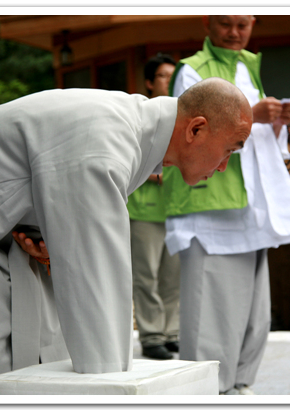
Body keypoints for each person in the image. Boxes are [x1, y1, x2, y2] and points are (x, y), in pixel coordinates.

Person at [0, 77, 253, 394]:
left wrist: (43, 235)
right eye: (231, 150)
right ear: (197, 129)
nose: (224, 167)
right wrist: (113, 387)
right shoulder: (109, 137)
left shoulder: (129, 127)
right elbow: (95, 273)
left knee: (41, 353)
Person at [163, 15, 290, 395]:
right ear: (207, 22)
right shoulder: (192, 70)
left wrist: (277, 123)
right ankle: (205, 392)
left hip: (250, 204)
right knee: (210, 312)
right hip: (209, 203)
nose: (235, 32)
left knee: (252, 312)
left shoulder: (249, 63)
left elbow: (254, 133)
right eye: (226, 24)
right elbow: (192, 133)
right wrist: (253, 115)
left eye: (243, 25)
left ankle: (239, 386)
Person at [128, 53, 181, 360]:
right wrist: (151, 172)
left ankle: (172, 331)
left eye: (173, 75)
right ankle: (151, 335)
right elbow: (127, 156)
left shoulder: (184, 116)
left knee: (173, 277)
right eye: (163, 76)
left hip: (177, 209)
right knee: (146, 276)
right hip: (144, 209)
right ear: (149, 82)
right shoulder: (139, 114)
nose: (169, 81)